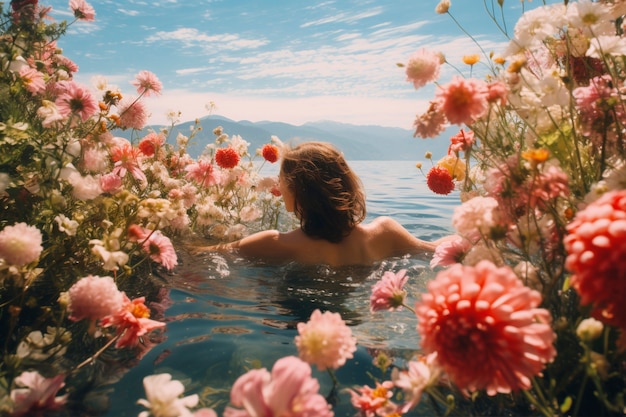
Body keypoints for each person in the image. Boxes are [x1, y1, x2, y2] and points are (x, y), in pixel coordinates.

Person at [194, 141, 450, 267]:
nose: (278, 188)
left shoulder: (276, 243)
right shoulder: (386, 232)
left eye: (282, 181)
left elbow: (201, 255)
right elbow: (438, 251)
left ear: (298, 189)